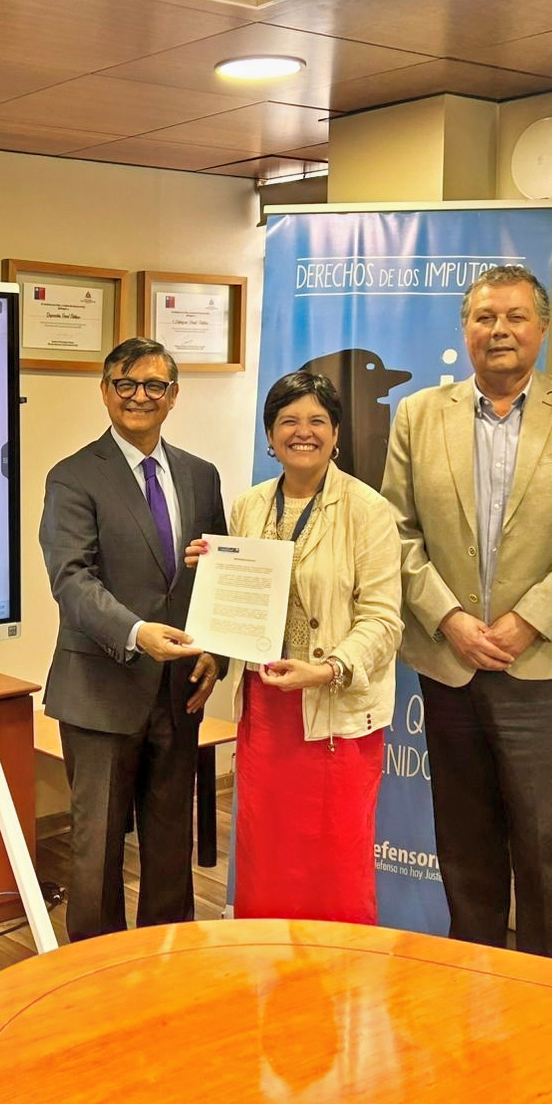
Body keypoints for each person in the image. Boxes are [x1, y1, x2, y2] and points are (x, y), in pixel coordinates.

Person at [380, 264, 552, 962]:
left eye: (516, 317)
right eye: (485, 317)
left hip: (549, 666)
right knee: (464, 842)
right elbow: (397, 528)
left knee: (545, 847)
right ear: (466, 329)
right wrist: (449, 619)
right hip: (451, 665)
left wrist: (529, 621)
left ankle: (550, 987)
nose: (500, 330)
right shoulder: (419, 414)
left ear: (541, 328)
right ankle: (472, 975)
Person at [187, 371, 401, 922]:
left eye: (316, 421)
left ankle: (337, 966)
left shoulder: (368, 510)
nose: (302, 432)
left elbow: (383, 621)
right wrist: (210, 575)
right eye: (288, 421)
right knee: (268, 854)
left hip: (334, 712)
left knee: (336, 859)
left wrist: (329, 670)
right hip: (266, 711)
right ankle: (266, 963)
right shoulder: (249, 506)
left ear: (336, 434)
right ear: (270, 434)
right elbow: (240, 601)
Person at [40, 337, 227, 941]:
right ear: (105, 391)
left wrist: (216, 653)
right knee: (96, 850)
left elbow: (219, 574)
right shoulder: (73, 477)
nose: (139, 396)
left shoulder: (200, 475)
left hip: (179, 690)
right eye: (125, 383)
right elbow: (72, 580)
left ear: (173, 396)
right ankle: (95, 970)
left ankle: (166, 961)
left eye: (153, 385)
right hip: (100, 689)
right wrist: (137, 633)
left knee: (170, 842)